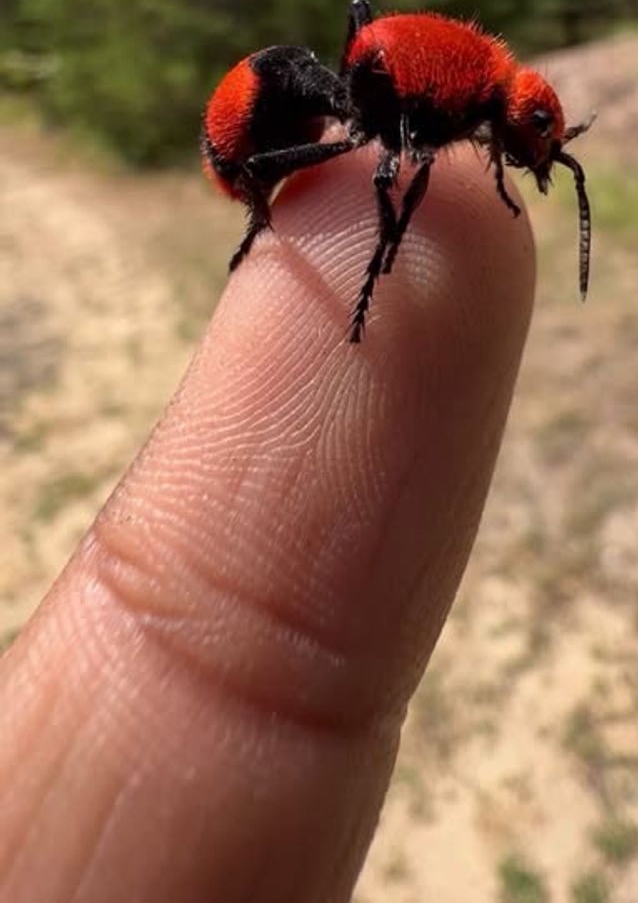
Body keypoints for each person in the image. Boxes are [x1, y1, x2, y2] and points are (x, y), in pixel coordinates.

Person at [0, 145, 535, 903]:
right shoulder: (402, 121)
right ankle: (340, 250)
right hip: (253, 124)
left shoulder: (425, 127)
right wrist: (377, 260)